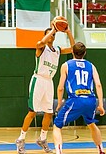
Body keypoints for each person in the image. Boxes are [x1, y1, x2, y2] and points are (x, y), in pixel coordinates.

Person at [15, 23, 75, 154]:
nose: (52, 35)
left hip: (49, 82)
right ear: (46, 35)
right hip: (38, 80)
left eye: (54, 34)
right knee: (32, 112)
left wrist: (68, 32)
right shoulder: (41, 47)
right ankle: (21, 139)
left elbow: (72, 48)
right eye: (50, 33)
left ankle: (42, 139)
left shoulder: (57, 50)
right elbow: (40, 43)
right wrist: (53, 28)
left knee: (49, 113)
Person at [53, 42, 106, 154]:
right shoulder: (91, 65)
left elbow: (60, 88)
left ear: (72, 51)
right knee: (91, 123)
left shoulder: (66, 65)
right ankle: (101, 149)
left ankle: (59, 152)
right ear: (84, 53)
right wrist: (100, 105)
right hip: (90, 100)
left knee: (57, 125)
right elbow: (98, 85)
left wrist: (59, 103)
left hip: (75, 100)